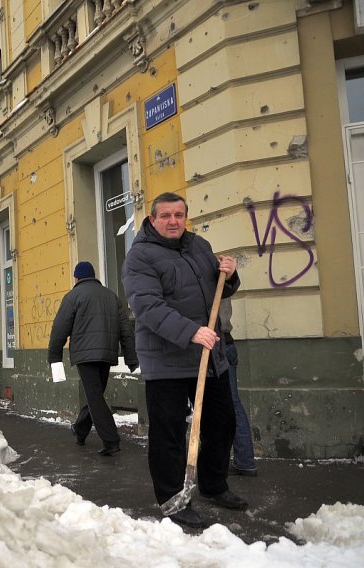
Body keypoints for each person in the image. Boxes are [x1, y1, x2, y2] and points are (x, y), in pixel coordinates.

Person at [121, 192, 247, 529]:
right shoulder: (140, 257)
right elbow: (147, 306)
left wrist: (229, 275)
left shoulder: (199, 246)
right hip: (166, 360)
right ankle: (172, 499)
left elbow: (218, 289)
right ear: (152, 219)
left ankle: (213, 484)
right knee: (169, 435)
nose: (173, 221)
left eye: (179, 215)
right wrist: (191, 331)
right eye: (165, 216)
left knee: (223, 423)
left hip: (209, 355)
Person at [48, 261, 139, 456]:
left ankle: (111, 440)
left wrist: (54, 357)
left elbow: (59, 329)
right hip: (107, 354)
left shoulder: (73, 296)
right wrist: (131, 358)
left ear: (77, 278)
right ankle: (80, 429)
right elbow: (126, 330)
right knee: (95, 394)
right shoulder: (111, 297)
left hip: (85, 355)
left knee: (94, 396)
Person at [219, 298, 258, 476]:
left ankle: (215, 463)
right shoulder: (222, 273)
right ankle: (245, 460)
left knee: (212, 407)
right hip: (228, 343)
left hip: (214, 344)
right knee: (233, 404)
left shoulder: (203, 274)